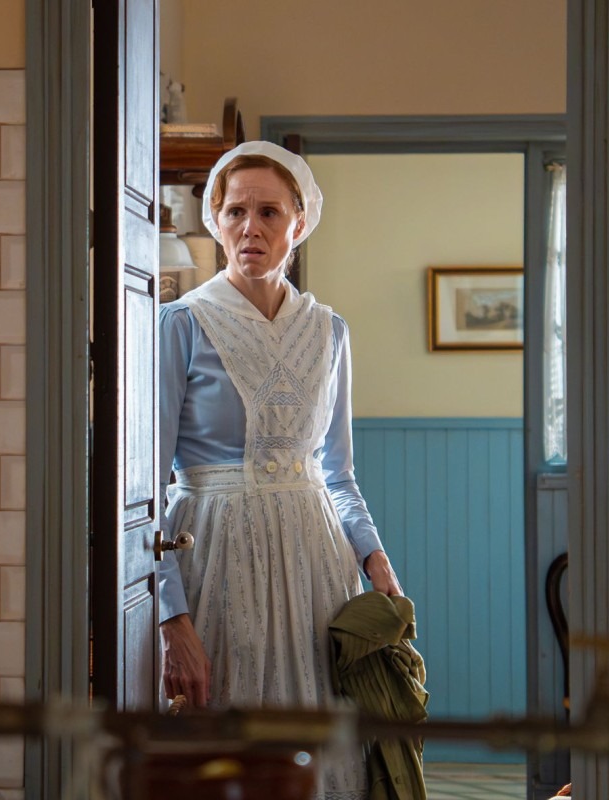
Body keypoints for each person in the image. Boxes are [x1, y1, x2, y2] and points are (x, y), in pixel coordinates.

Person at [157, 140, 403, 799]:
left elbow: (338, 474)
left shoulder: (329, 331)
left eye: (268, 212)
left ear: (299, 223)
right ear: (216, 221)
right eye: (235, 212)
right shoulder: (181, 323)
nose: (250, 228)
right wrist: (172, 617)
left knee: (320, 747)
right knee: (227, 743)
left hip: (314, 564)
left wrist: (374, 557)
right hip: (212, 552)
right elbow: (143, 492)